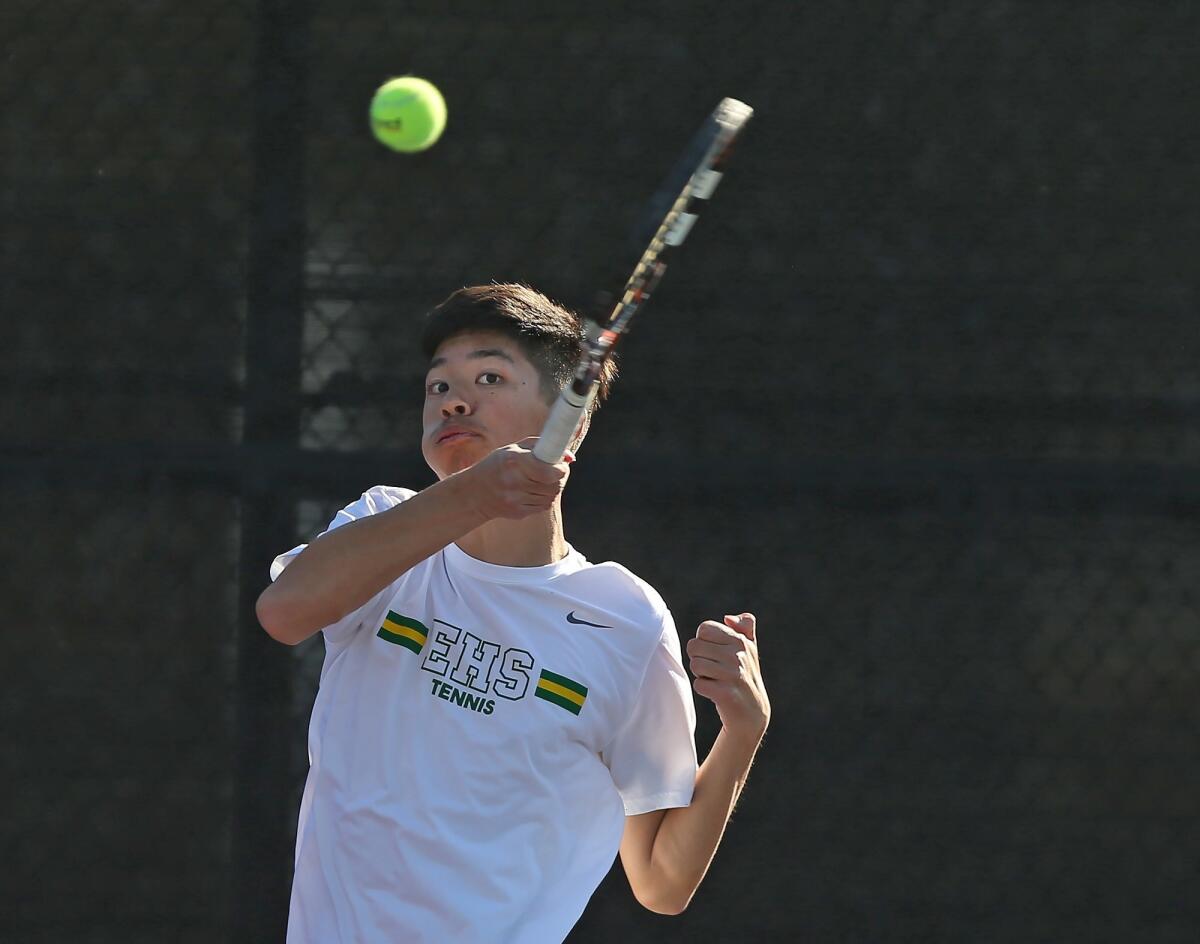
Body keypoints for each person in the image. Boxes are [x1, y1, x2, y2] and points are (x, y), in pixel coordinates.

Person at [256, 283, 770, 943]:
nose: (455, 400)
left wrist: (744, 732)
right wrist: (474, 494)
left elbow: (661, 881)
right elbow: (285, 611)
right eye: (438, 387)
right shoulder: (382, 526)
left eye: (489, 377)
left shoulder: (627, 621)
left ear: (571, 423)